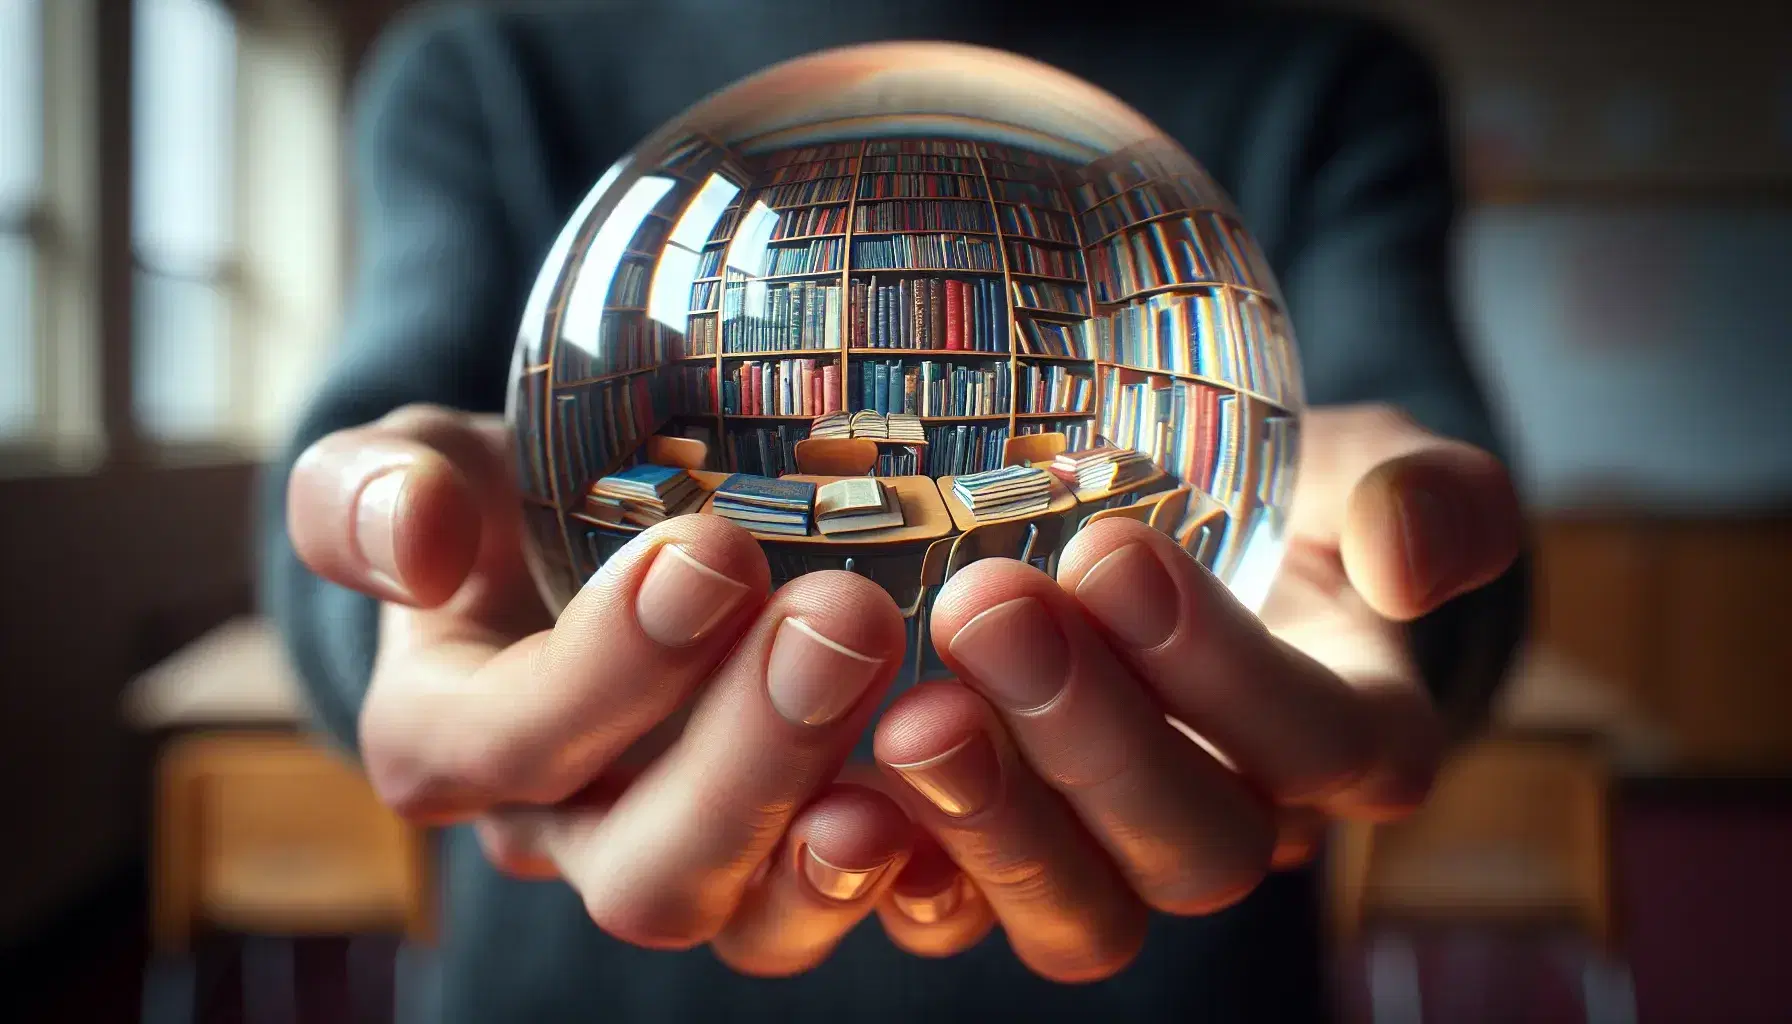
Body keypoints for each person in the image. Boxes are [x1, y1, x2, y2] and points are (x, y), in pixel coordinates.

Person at [262, 1, 1529, 1021]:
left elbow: (1438, 515)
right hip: (574, 974)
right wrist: (395, 599)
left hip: (1178, 966)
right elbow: (357, 480)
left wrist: (1397, 590)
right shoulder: (487, 66)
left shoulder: (1324, 76)